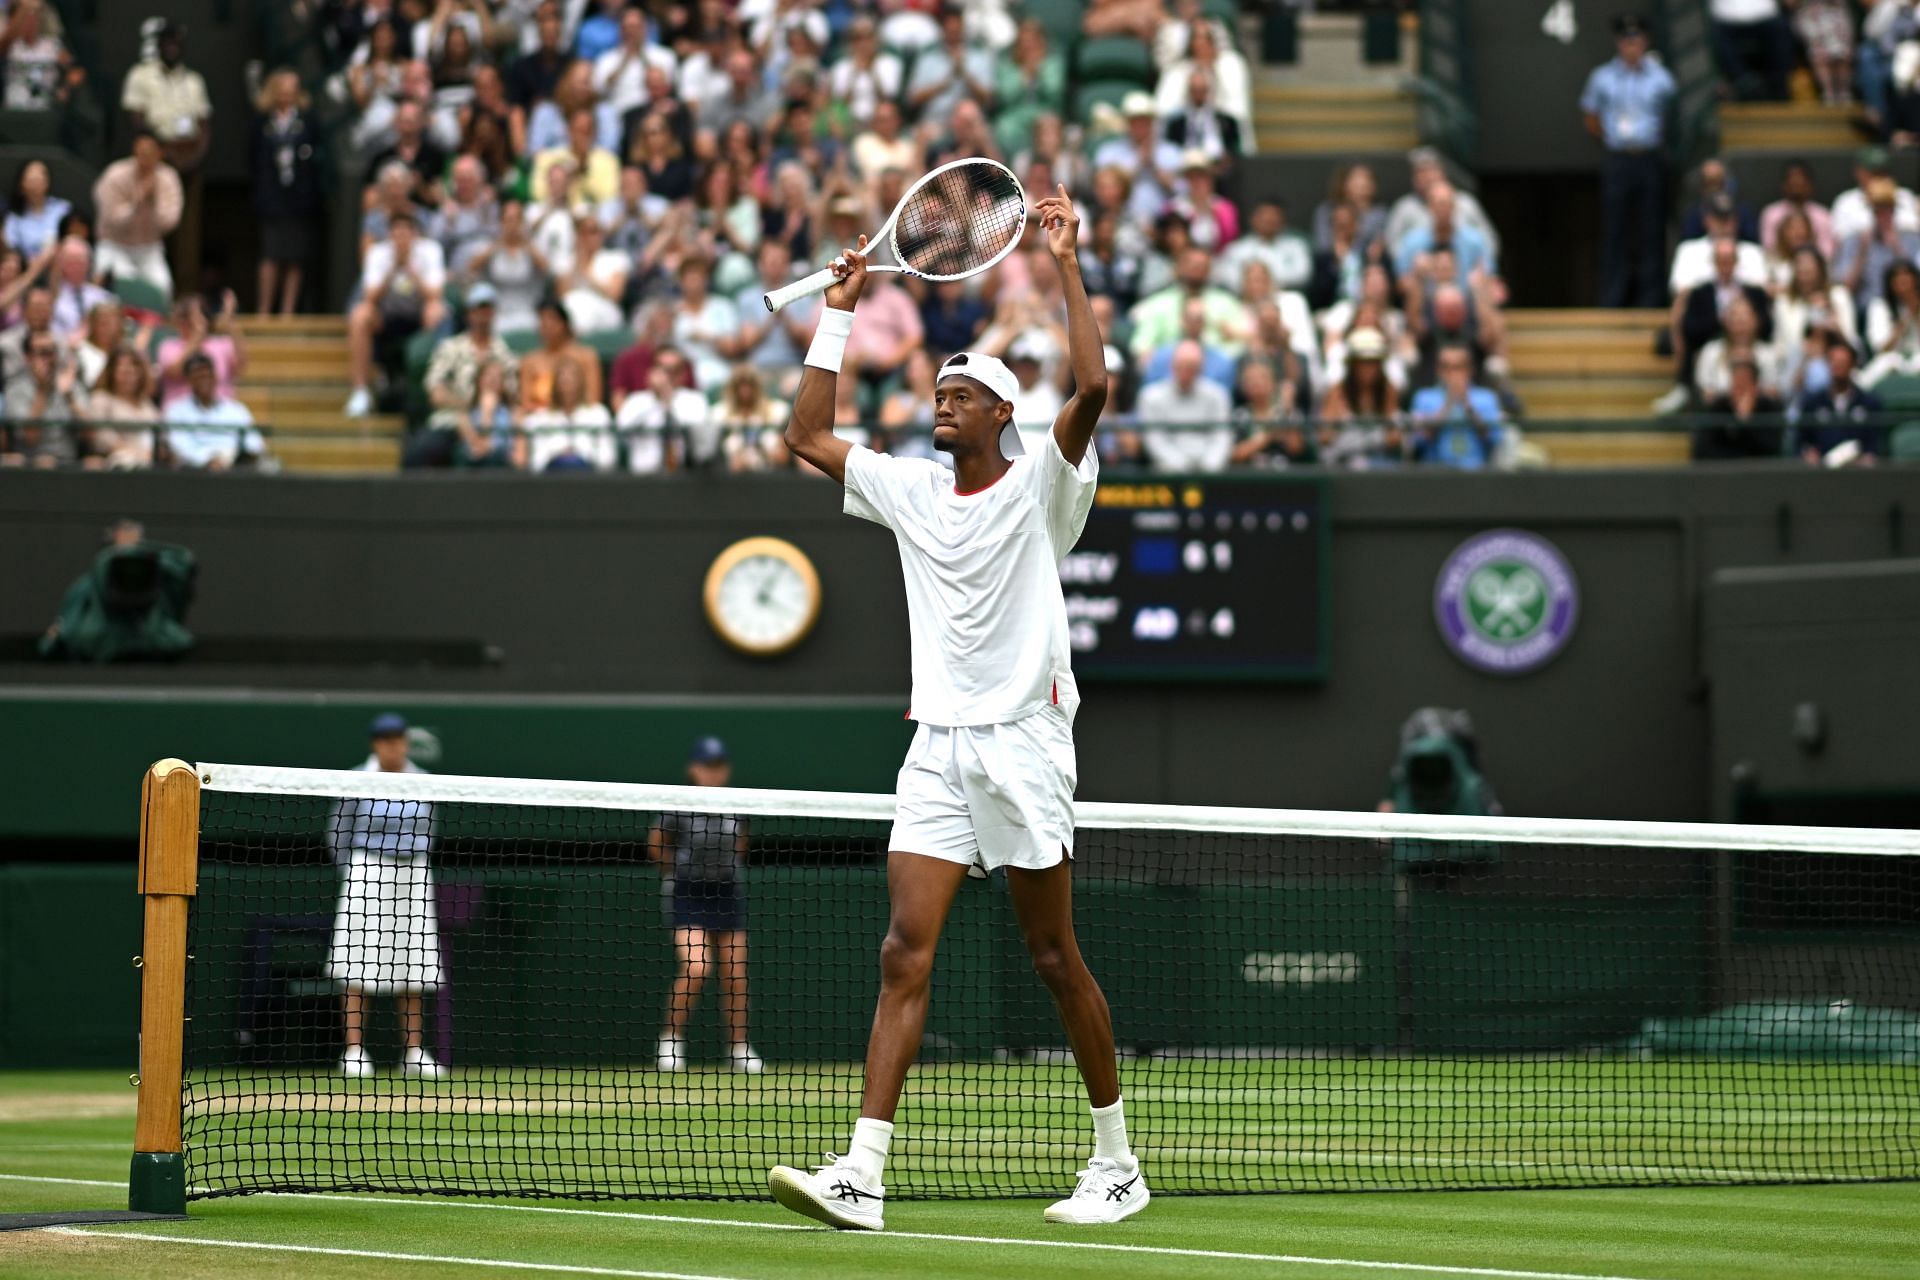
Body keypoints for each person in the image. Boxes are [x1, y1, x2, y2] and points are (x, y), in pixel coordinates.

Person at [767, 187, 1147, 1230]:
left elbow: (1098, 382)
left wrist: (1065, 260)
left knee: (1052, 955)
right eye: (937, 387)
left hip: (1026, 740)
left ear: (1001, 416)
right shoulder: (910, 490)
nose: (941, 398)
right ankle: (862, 1170)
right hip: (937, 745)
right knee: (904, 948)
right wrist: (837, 309)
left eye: (962, 391)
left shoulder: (1044, 488)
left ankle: (1116, 1159)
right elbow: (806, 432)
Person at [326, 713, 449, 1081]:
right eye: (385, 739)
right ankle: (354, 1052)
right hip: (367, 870)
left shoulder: (424, 782)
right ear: (375, 743)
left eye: (398, 738)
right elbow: (338, 831)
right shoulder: (356, 780)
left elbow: (431, 829)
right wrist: (355, 872)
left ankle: (413, 1052)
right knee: (356, 961)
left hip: (414, 872)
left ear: (406, 742)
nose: (392, 745)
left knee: (414, 961)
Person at [650, 736, 762, 1074]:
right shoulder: (679, 806)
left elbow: (742, 842)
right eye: (706, 766)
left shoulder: (737, 806)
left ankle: (739, 1049)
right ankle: (669, 1042)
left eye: (718, 766)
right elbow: (657, 843)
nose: (713, 773)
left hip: (727, 893)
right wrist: (677, 872)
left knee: (736, 976)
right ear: (694, 769)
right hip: (688, 893)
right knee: (698, 968)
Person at [1581, 15, 1676, 307]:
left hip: (1649, 158)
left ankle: (1650, 300)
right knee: (1615, 231)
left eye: (1636, 40)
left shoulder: (1661, 77)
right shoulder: (1602, 77)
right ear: (1618, 43)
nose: (1631, 46)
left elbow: (1672, 113)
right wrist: (1611, 141)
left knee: (1651, 230)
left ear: (1644, 43)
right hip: (1618, 159)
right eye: (1626, 40)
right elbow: (1590, 116)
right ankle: (1613, 300)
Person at [121, 21, 211, 295]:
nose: (172, 46)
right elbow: (137, 122)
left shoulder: (194, 81)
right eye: (166, 41)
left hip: (189, 162)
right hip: (153, 161)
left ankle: (185, 295)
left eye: (176, 42)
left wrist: (191, 159)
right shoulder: (140, 75)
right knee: (149, 226)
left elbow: (204, 126)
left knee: (188, 233)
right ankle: (149, 295)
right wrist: (163, 155)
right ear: (157, 45)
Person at [251, 68, 324, 316]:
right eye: (282, 91)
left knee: (295, 256)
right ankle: (264, 309)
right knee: (270, 253)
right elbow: (252, 158)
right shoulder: (262, 122)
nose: (286, 96)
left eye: (292, 91)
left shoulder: (308, 121)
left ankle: (288, 310)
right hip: (271, 197)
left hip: (299, 198)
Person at [92, 131, 184, 298]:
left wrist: (153, 201)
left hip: (149, 249)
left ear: (160, 154)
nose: (145, 158)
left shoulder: (168, 178)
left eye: (150, 153)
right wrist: (138, 203)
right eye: (141, 153)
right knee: (124, 287)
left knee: (163, 287)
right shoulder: (115, 174)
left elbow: (170, 222)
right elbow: (111, 219)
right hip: (114, 245)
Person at [1408, 343, 1508, 469]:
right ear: (1438, 370)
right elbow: (1419, 441)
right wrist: (1448, 403)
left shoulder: (1487, 397)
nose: (1452, 373)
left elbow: (1493, 439)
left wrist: (1467, 404)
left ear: (1470, 369)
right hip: (1435, 472)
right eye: (1446, 367)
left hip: (1476, 471)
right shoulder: (1424, 397)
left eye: (1458, 367)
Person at [162, 352, 265, 469]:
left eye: (207, 375)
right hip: (193, 474)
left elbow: (254, 443)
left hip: (234, 470)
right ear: (189, 380)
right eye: (198, 376)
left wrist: (229, 458)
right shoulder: (176, 411)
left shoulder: (236, 409)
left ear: (215, 377)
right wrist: (208, 460)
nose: (204, 380)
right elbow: (180, 445)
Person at [1696, 357, 1785, 460]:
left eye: (1743, 387)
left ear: (1755, 387)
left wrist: (1746, 422)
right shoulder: (1718, 407)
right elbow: (1703, 450)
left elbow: (1773, 449)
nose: (1738, 393)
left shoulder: (1770, 408)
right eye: (1735, 386)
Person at [3, 159, 72, 259]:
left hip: (58, 265)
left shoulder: (63, 209)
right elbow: (10, 247)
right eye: (31, 179)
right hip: (26, 264)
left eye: (40, 178)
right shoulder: (14, 217)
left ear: (47, 182)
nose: (36, 184)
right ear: (21, 184)